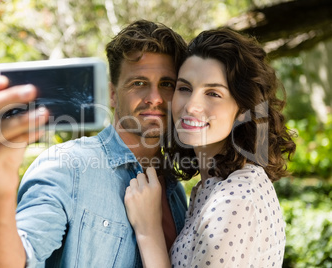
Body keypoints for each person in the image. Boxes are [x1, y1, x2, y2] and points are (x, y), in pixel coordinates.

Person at [0, 20, 188, 267]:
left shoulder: (174, 191)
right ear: (112, 94)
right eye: (139, 83)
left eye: (166, 84)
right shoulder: (68, 167)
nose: (154, 98)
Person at [124, 28, 296, 267]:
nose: (192, 106)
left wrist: (148, 231)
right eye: (184, 88)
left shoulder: (235, 200)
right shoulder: (215, 185)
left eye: (213, 93)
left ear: (243, 109)